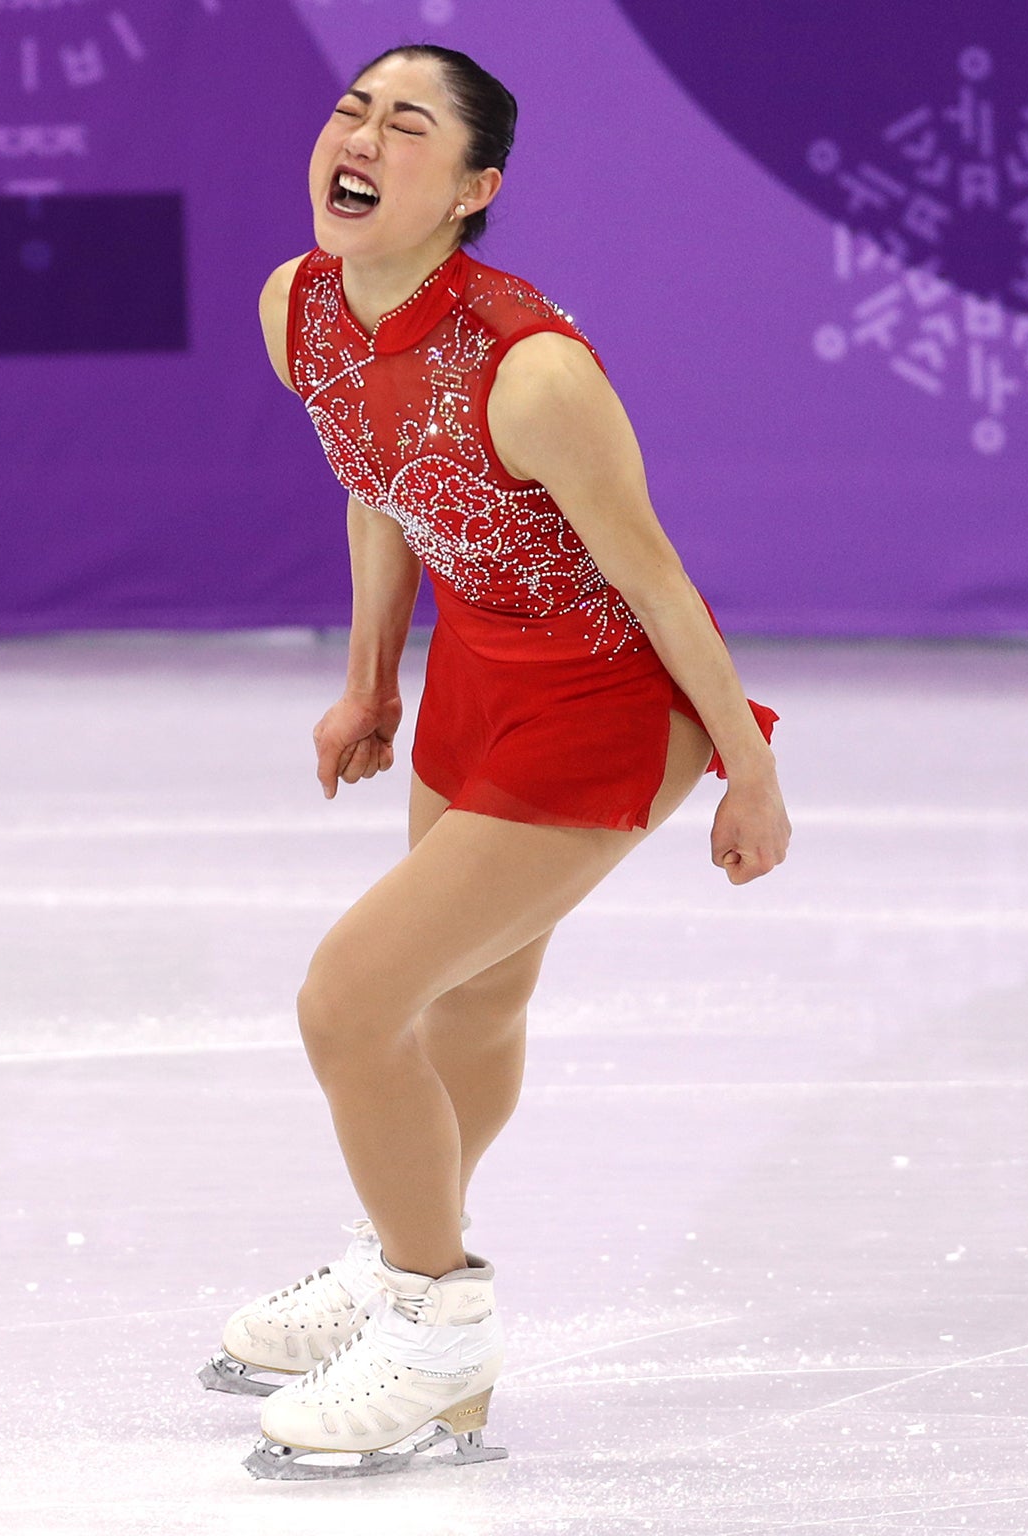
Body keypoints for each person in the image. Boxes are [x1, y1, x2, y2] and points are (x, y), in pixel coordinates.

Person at [199, 43, 791, 1479]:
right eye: (354, 109)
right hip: (478, 672)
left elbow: (653, 576)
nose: (364, 136)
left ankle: (432, 1317)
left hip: (608, 703)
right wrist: (368, 686)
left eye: (409, 126)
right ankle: (404, 1255)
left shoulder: (532, 371)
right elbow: (380, 484)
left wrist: (744, 767)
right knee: (469, 997)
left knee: (351, 1002)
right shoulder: (302, 312)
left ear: (473, 190)